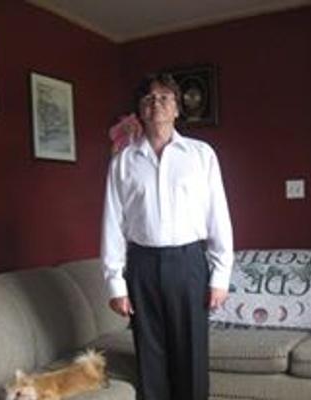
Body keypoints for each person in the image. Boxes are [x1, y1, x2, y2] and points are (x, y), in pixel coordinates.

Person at [101, 73, 233, 400]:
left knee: (191, 355)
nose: (156, 104)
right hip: (142, 265)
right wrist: (116, 284)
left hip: (189, 263)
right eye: (148, 99)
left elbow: (218, 216)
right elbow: (112, 224)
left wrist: (220, 277)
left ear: (176, 108)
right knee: (151, 356)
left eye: (164, 98)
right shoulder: (123, 162)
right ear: (140, 110)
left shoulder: (201, 155)